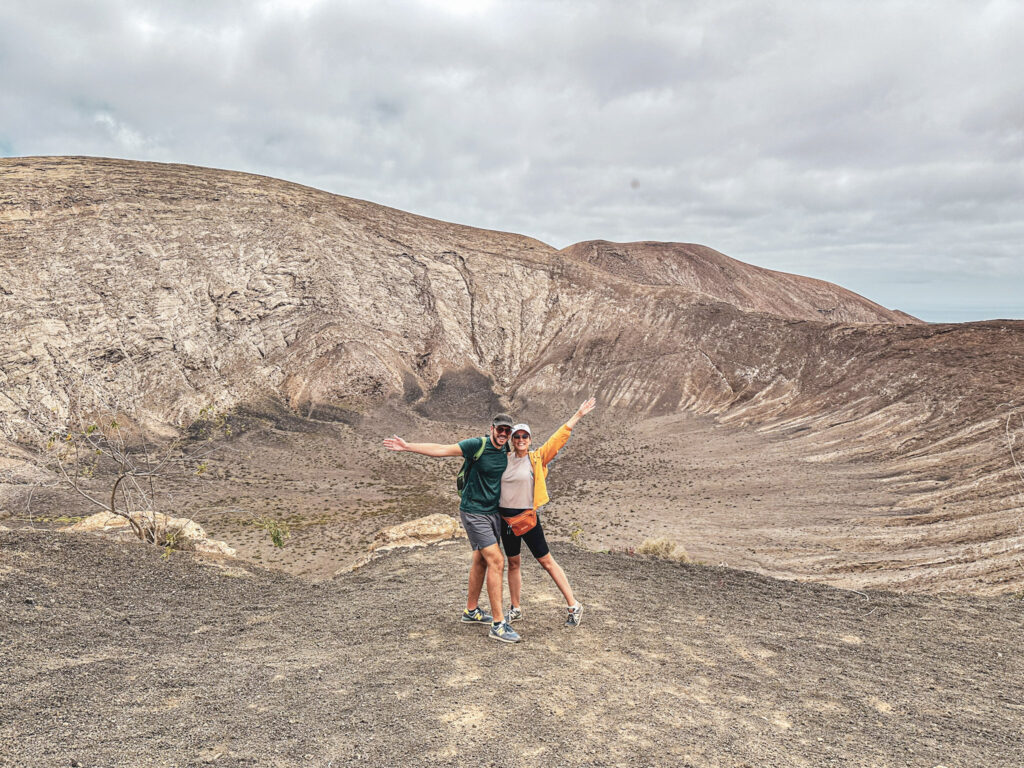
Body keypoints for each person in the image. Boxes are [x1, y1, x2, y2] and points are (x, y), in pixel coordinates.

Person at [382, 414, 521, 644]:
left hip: (493, 513)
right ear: (492, 429)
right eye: (500, 429)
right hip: (474, 512)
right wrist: (408, 447)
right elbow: (442, 449)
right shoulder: (477, 445)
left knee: (481, 559)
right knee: (497, 561)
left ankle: (471, 611)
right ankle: (498, 624)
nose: (503, 434)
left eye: (507, 431)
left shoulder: (507, 453)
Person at [500, 397, 596, 628]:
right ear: (512, 440)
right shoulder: (502, 460)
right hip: (505, 521)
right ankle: (515, 608)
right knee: (513, 563)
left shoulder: (537, 458)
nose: (521, 440)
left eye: (525, 436)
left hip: (528, 519)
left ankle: (574, 604)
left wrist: (578, 415)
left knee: (546, 561)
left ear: (530, 439)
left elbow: (558, 438)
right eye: (517, 436)